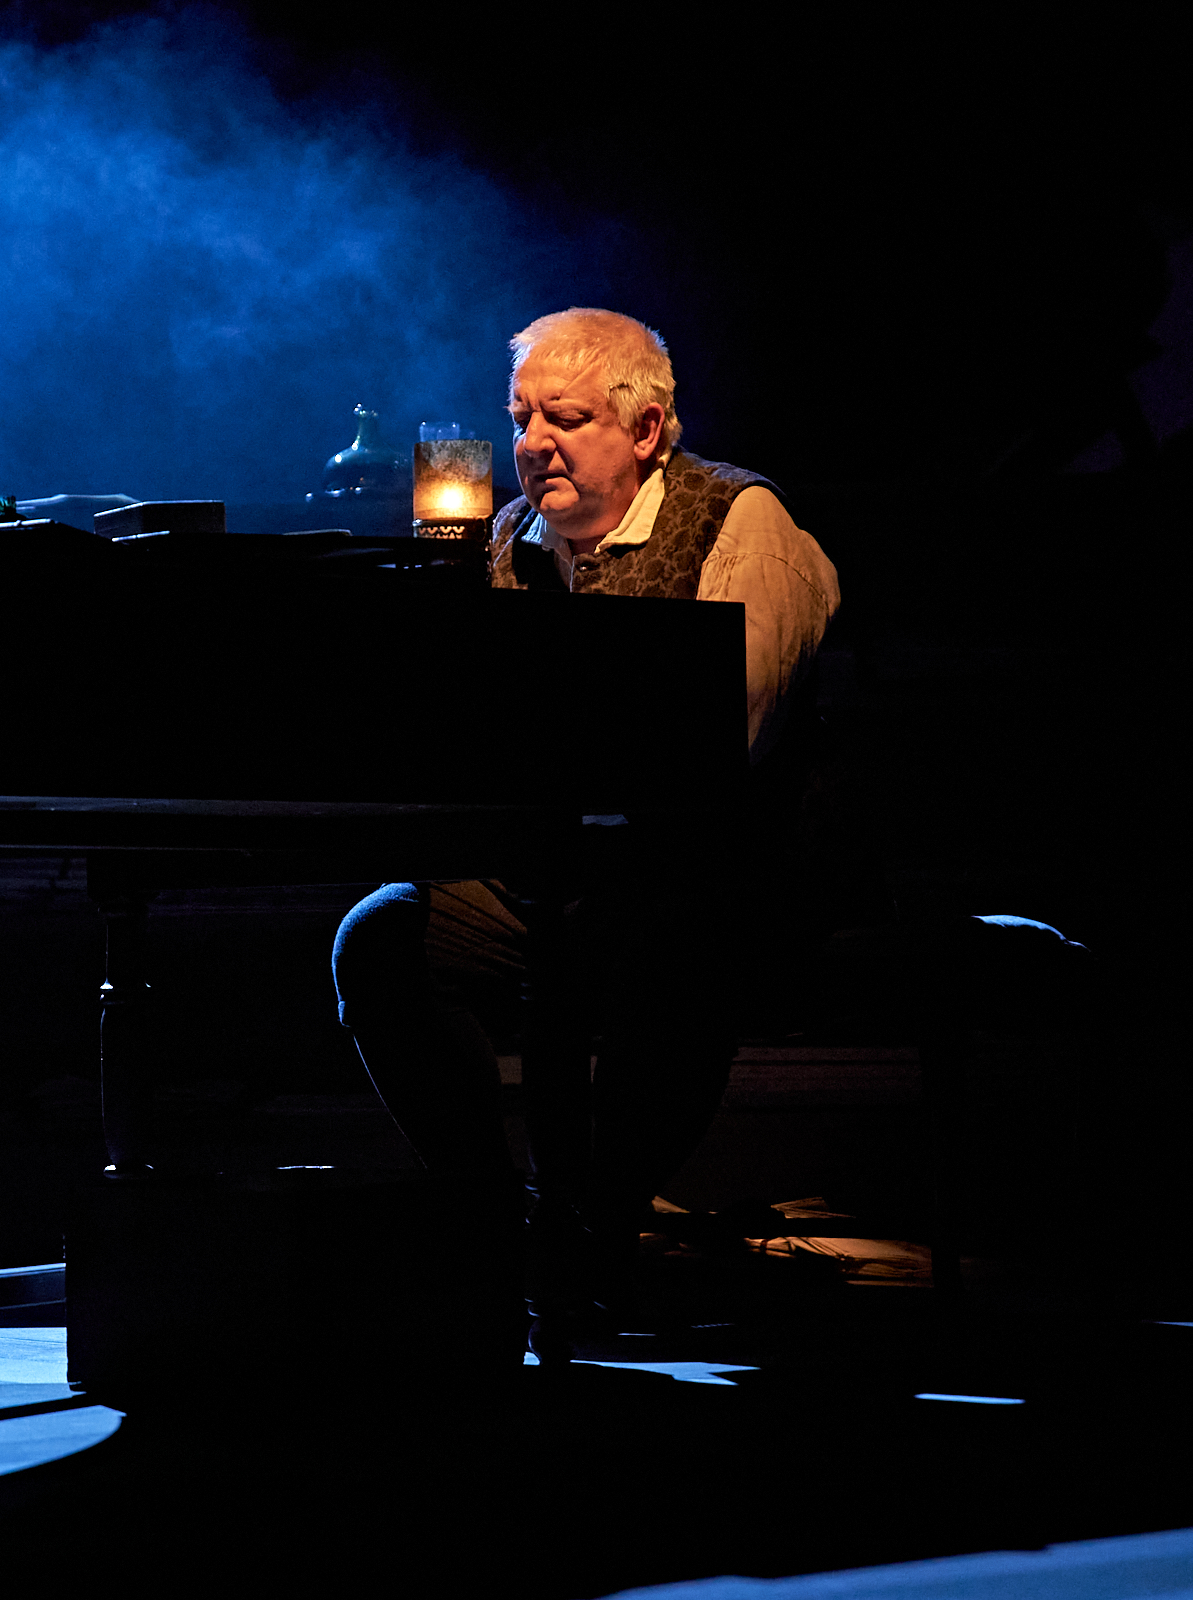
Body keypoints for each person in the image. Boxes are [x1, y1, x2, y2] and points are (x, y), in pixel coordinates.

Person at [331, 308, 840, 1357]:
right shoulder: (504, 536)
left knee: (661, 942)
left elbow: (718, 740)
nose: (532, 442)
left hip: (710, 877)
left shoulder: (743, 523)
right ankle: (500, 1216)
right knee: (379, 937)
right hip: (552, 879)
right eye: (521, 417)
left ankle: (602, 1223)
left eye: (564, 418)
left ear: (648, 431)